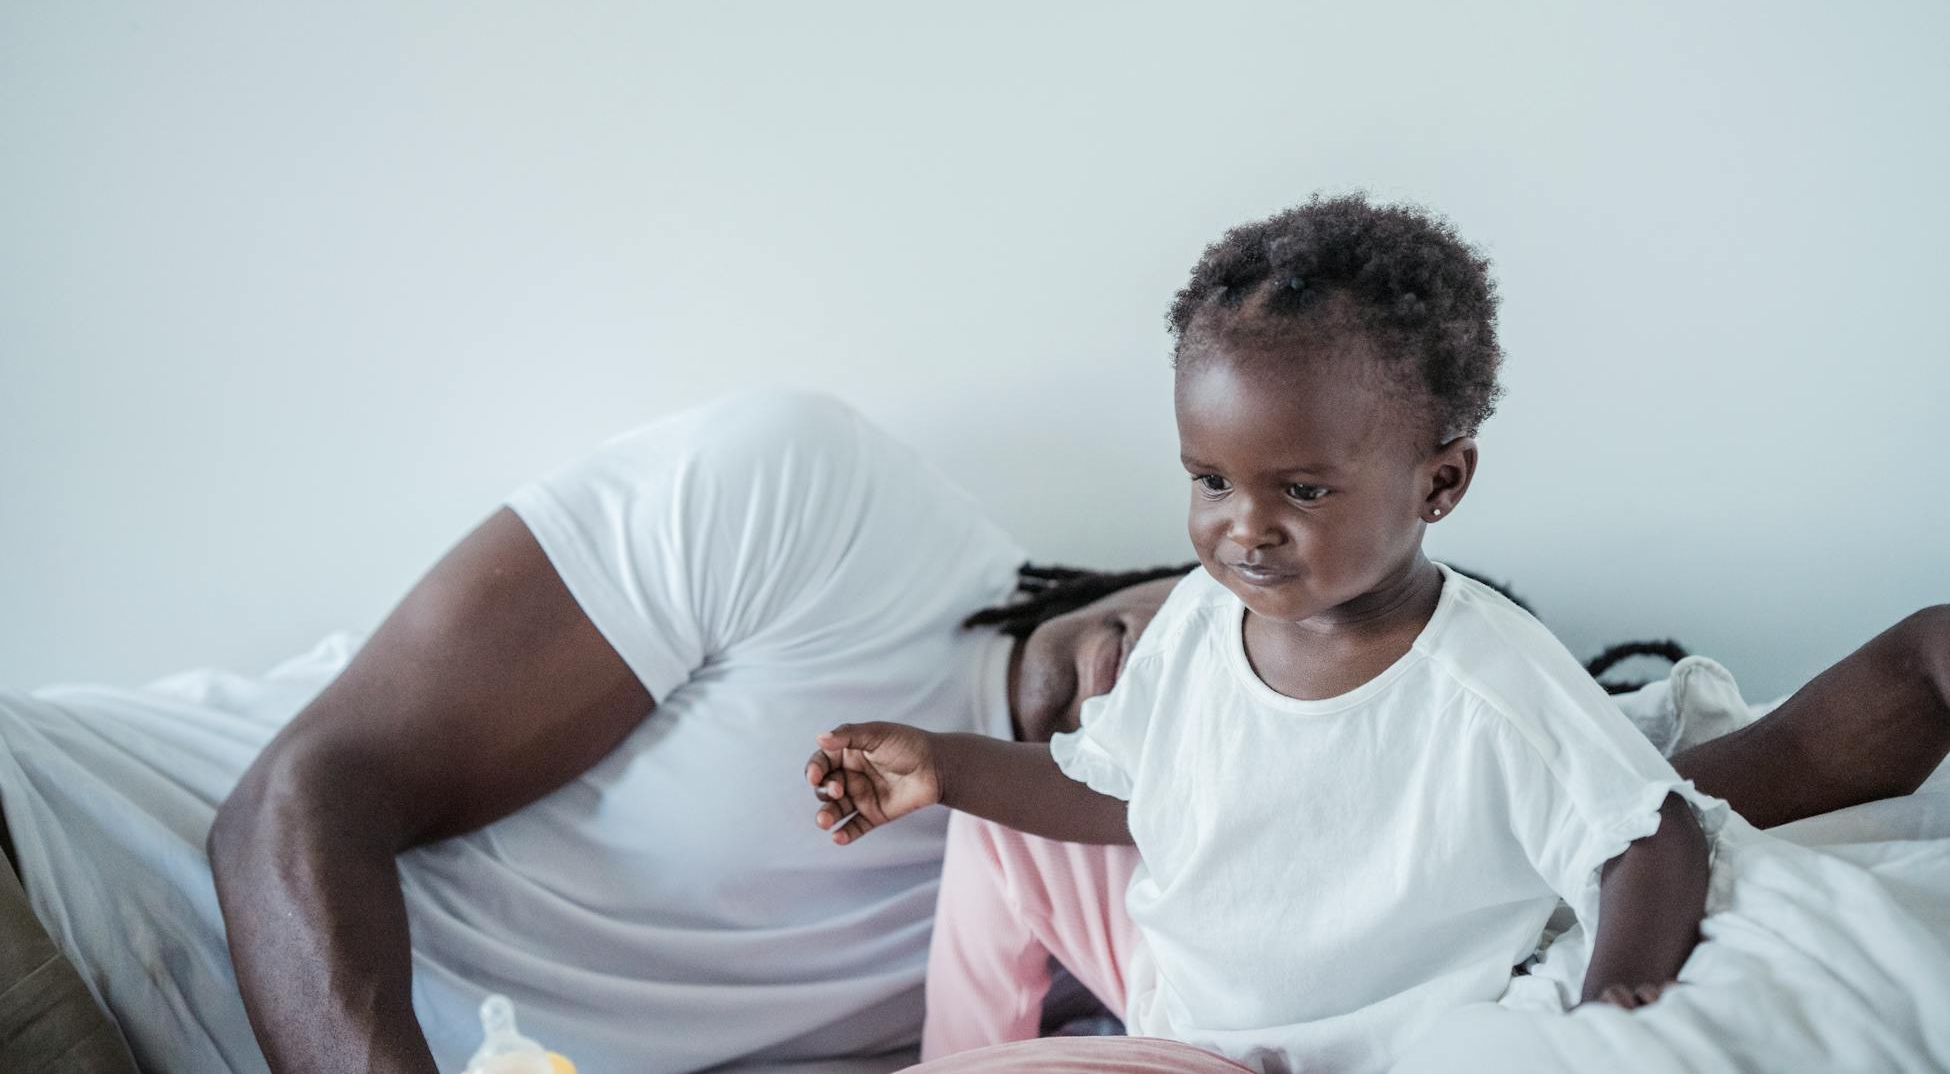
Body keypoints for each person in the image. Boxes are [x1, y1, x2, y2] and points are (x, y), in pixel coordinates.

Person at [0, 352, 1944, 1073]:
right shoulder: (818, 505)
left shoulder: (1205, 888)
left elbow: (1643, 801)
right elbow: (298, 804)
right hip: (61, 868)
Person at [800, 198, 1919, 1074]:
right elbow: (1115, 788)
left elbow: (1650, 833)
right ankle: (959, 1047)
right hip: (1175, 989)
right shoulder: (1201, 619)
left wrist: (1616, 1003)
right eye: (1211, 479)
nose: (1245, 527)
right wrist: (941, 767)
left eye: (1302, 489)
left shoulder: (1487, 677)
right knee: (998, 834)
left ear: (1441, 482)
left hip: (1288, 1052)